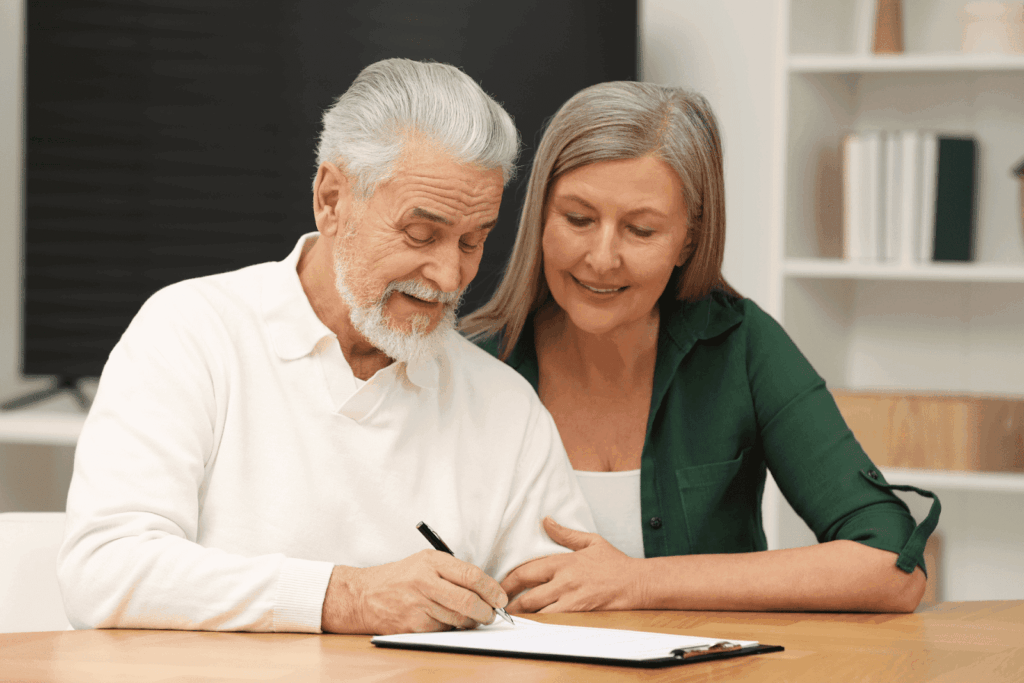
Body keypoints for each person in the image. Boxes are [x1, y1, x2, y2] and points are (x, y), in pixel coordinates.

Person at [57, 58, 595, 635]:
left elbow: (560, 617)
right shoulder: (191, 331)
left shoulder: (503, 405)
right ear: (332, 199)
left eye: (473, 241)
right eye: (421, 234)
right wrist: (347, 597)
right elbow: (103, 572)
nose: (448, 275)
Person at [462, 81, 940, 614]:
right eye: (578, 219)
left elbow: (891, 565)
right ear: (540, 215)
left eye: (640, 231)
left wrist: (638, 583)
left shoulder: (743, 345)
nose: (601, 258)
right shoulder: (466, 363)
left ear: (689, 238)